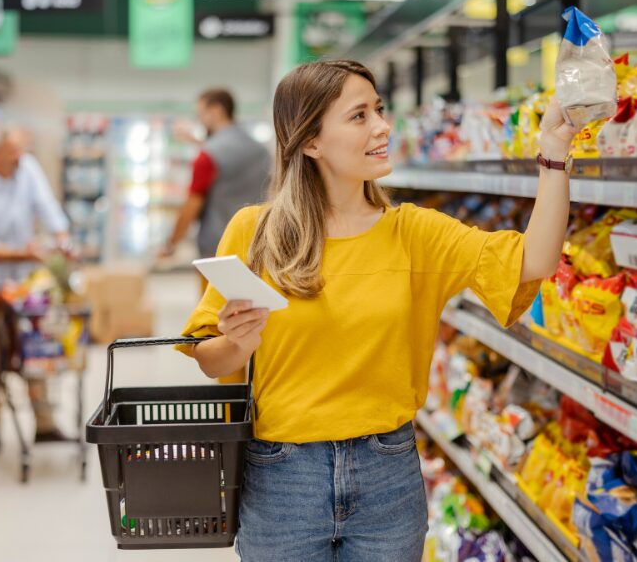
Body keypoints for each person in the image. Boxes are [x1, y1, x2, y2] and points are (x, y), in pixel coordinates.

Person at [176, 60, 576, 560]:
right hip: (282, 480)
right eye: (360, 116)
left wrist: (554, 155)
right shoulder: (257, 232)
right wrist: (237, 342)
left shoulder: (414, 233)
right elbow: (211, 361)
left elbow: (533, 261)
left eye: (380, 111)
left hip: (387, 476)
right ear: (311, 142)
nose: (383, 126)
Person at [0, 126, 74, 450]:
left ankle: (44, 422)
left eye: (21, 150)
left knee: (34, 345)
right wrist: (25, 252)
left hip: (24, 281)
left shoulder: (26, 168)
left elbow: (48, 207)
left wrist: (62, 238)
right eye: (12, 152)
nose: (20, 157)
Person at [159, 88, 271, 263]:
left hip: (218, 250)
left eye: (201, 114)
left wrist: (171, 244)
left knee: (214, 292)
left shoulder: (208, 156)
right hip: (258, 245)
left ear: (217, 111)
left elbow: (191, 206)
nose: (200, 120)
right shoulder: (261, 151)